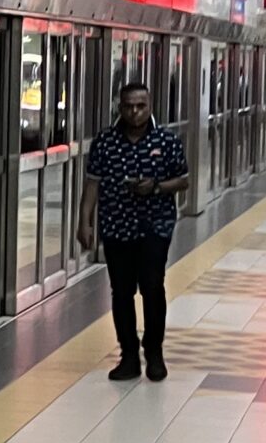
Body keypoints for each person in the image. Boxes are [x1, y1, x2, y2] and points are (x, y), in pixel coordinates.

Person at [78, 80, 190, 382]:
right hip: (116, 227)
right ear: (120, 107)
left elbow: (183, 180)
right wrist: (84, 221)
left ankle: (154, 352)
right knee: (122, 291)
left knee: (153, 287)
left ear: (149, 106)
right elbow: (92, 183)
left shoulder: (167, 141)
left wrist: (155, 187)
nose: (134, 112)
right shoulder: (104, 142)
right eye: (128, 106)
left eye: (140, 106)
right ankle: (128, 355)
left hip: (155, 225)